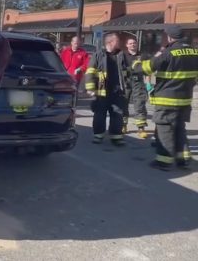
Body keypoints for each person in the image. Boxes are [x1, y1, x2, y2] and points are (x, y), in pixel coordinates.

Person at [132, 25, 198, 170]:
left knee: (165, 128)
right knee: (180, 128)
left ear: (169, 37)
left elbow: (145, 69)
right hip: (185, 99)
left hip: (167, 99)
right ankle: (183, 159)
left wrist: (136, 63)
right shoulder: (195, 52)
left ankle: (164, 161)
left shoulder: (169, 53)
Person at [85, 32, 129, 146]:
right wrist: (90, 88)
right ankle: (98, 135)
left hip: (117, 91)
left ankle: (116, 136)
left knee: (118, 114)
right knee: (100, 114)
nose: (119, 43)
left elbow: (128, 71)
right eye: (117, 41)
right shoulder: (99, 54)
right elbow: (90, 71)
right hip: (102, 91)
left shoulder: (121, 55)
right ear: (110, 42)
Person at [122, 38, 150, 138]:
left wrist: (149, 83)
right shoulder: (122, 56)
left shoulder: (143, 56)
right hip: (126, 82)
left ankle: (141, 128)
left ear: (137, 44)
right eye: (130, 43)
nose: (132, 45)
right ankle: (123, 125)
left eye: (134, 43)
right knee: (123, 104)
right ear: (127, 45)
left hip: (139, 82)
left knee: (140, 104)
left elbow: (148, 70)